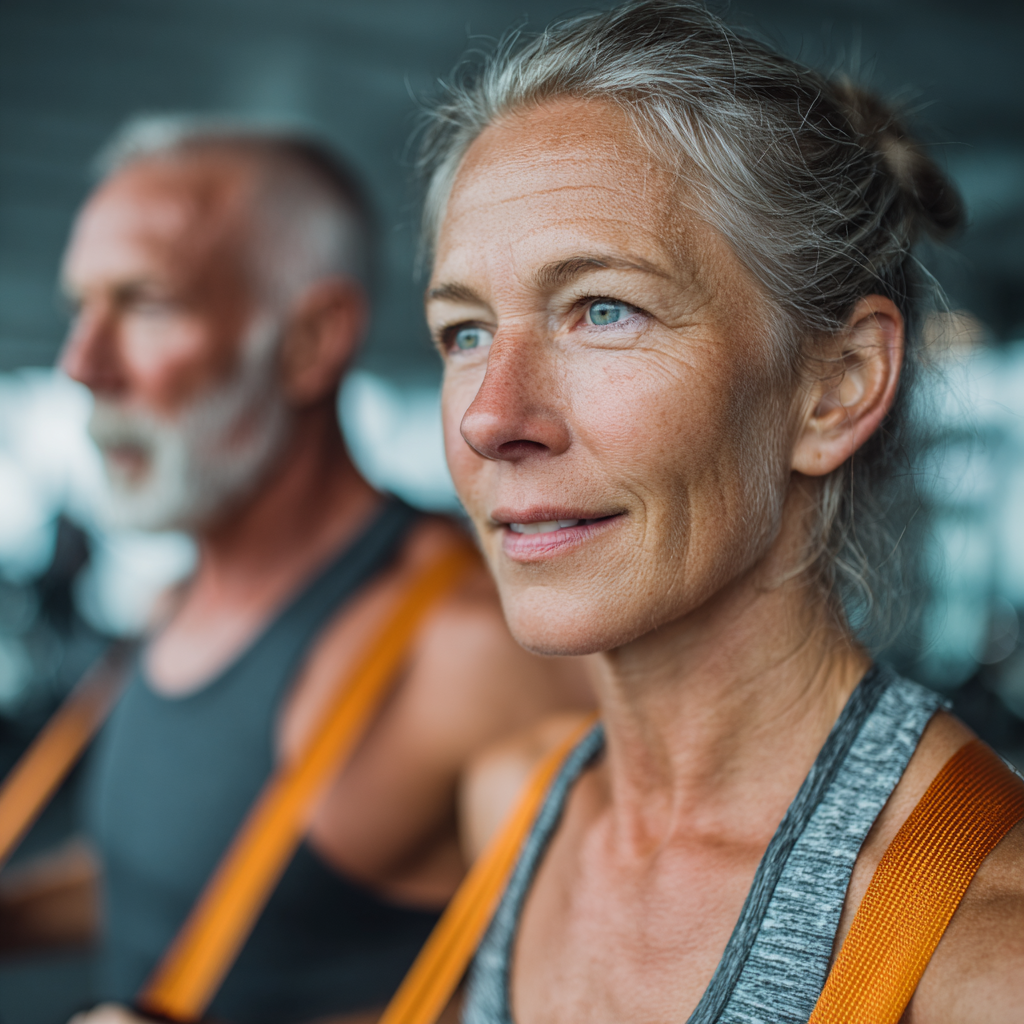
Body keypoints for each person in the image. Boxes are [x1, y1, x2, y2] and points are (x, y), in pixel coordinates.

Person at [418, 2, 1024, 1021]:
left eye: (602, 309)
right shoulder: (517, 807)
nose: (489, 418)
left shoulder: (984, 953)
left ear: (832, 385)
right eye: (464, 329)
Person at [0, 120, 593, 1024]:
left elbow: (585, 994)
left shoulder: (468, 646)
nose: (83, 365)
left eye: (147, 302)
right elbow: (185, 875)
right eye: (82, 309)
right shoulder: (176, 601)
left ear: (312, 341)